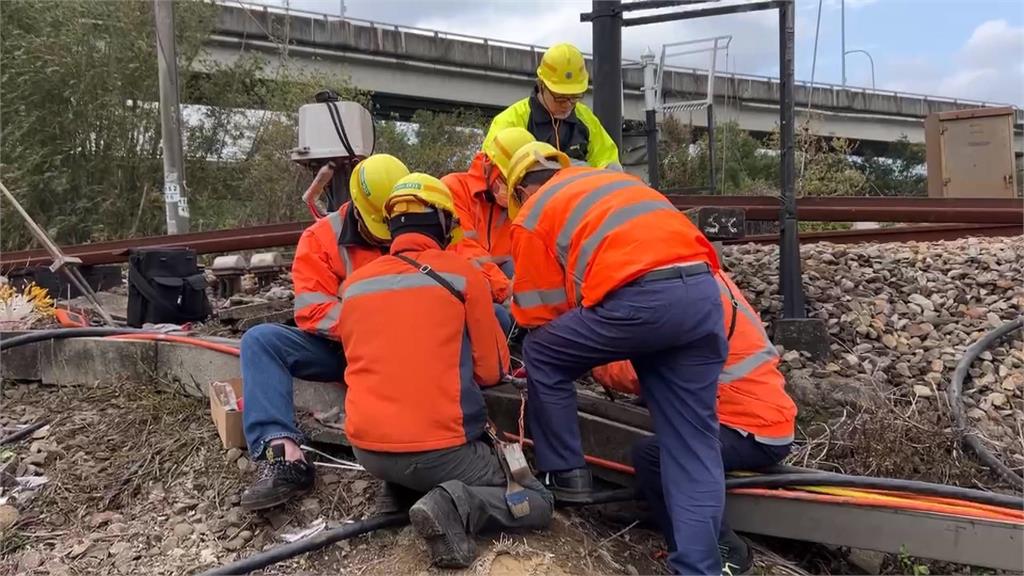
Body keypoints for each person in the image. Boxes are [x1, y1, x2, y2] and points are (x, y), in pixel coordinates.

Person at [504, 142, 728, 575]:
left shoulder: (534, 213)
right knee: (693, 445)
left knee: (542, 354)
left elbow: (540, 317)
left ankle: (565, 474)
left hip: (641, 300)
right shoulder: (617, 183)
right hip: (702, 297)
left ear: (520, 192)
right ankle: (700, 568)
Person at [338, 173, 553, 568]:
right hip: (437, 452)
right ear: (443, 224)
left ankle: (398, 490)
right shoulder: (460, 274)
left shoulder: (354, 285)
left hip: (366, 449)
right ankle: (457, 505)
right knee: (538, 501)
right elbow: (491, 371)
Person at [592, 270, 798, 575]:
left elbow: (645, 372)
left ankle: (718, 549)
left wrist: (588, 359)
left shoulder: (680, 296)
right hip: (763, 417)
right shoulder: (708, 280)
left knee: (653, 457)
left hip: (749, 428)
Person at [238, 154, 409, 511]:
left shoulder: (412, 223)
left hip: (404, 350)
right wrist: (370, 328)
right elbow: (314, 311)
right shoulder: (321, 238)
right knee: (261, 341)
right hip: (343, 347)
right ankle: (285, 456)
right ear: (358, 207)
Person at [444, 126, 536, 333]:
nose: (510, 189)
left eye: (518, 183)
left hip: (497, 288)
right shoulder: (454, 189)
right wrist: (506, 289)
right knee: (498, 317)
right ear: (488, 165)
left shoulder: (520, 205)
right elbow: (462, 252)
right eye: (506, 180)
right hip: (458, 288)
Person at [484, 43, 620, 170]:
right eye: (560, 98)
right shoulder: (511, 122)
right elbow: (492, 172)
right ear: (542, 85)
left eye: (574, 97)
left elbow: (609, 164)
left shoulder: (586, 119)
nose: (567, 105)